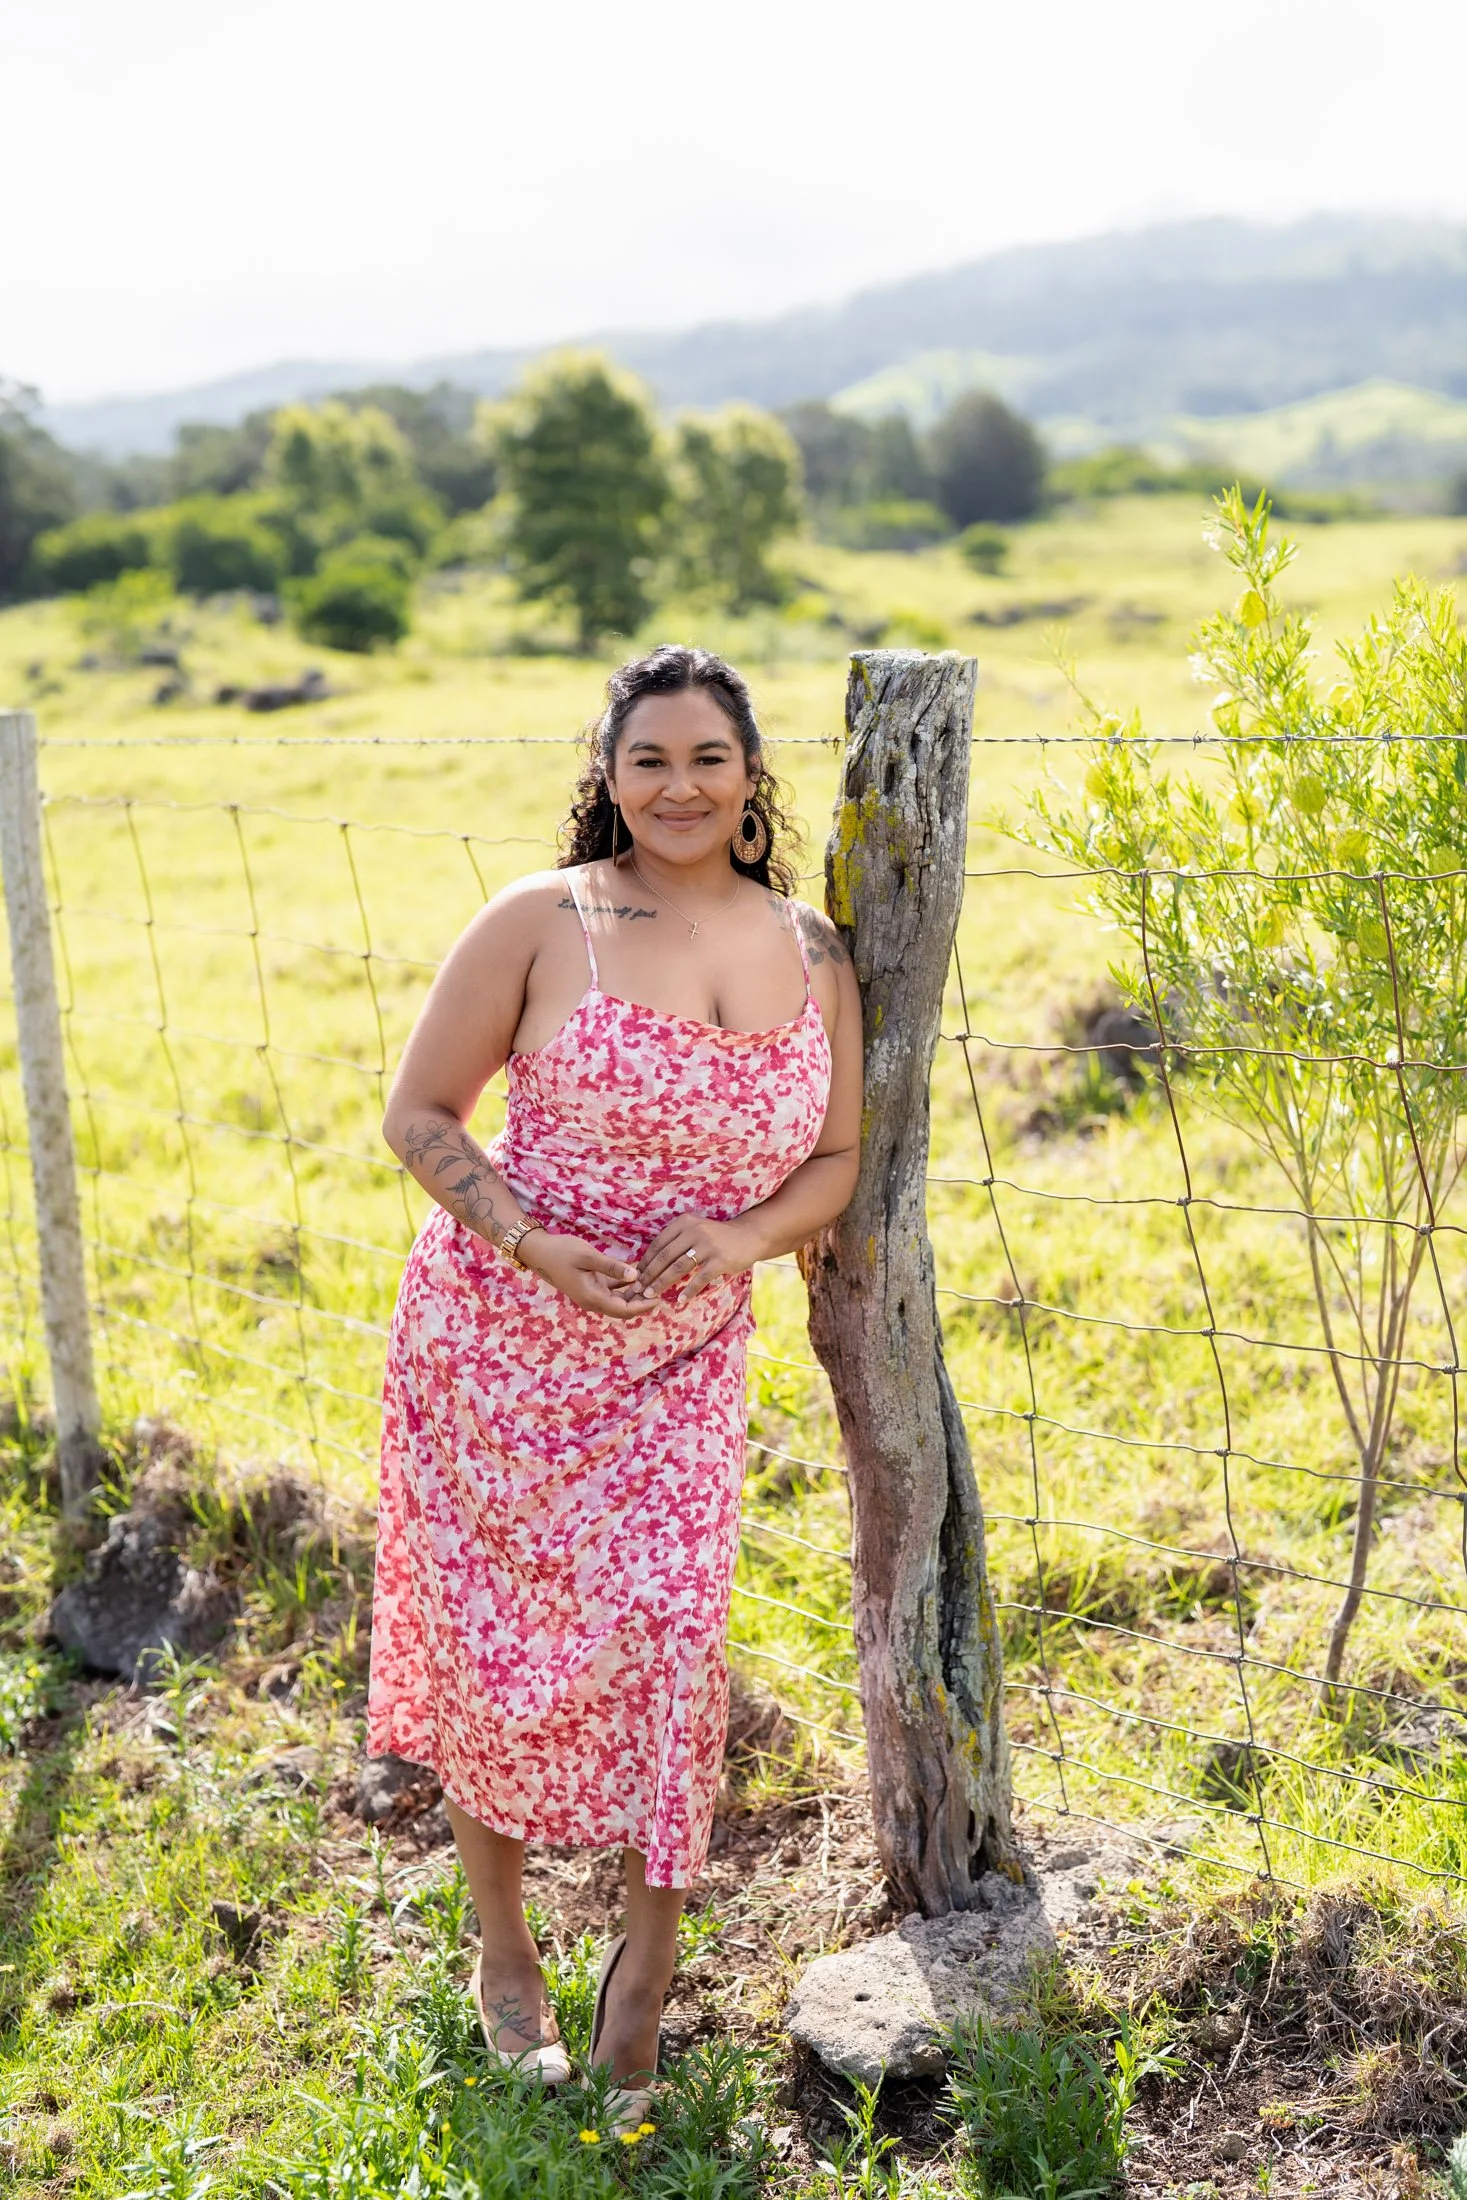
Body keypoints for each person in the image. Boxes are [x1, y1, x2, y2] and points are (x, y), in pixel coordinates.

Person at [367, 644, 862, 2128]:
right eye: (648, 759)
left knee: (663, 1643)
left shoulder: (816, 951)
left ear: (751, 773)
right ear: (608, 773)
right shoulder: (543, 919)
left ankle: (641, 1975)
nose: (680, 786)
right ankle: (504, 1948)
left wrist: (744, 1234)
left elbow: (835, 1161)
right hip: (496, 1351)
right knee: (492, 1639)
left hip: (680, 1362)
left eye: (707, 756)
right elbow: (417, 1114)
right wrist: (530, 1240)